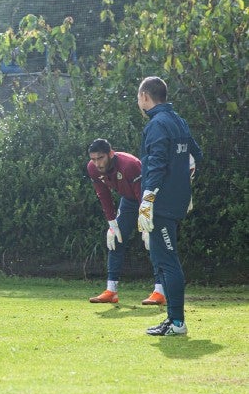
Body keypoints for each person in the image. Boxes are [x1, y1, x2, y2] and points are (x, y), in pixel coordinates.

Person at [136, 76, 202, 336]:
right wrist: (184, 183)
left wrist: (147, 199)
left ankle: (177, 323)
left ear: (145, 97)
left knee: (167, 260)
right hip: (175, 201)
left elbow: (157, 164)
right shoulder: (179, 121)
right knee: (160, 257)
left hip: (161, 204)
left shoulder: (157, 124)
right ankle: (172, 320)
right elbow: (196, 155)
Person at [86, 138, 166, 305]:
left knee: (154, 241)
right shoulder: (92, 168)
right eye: (93, 159)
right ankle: (111, 291)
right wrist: (111, 223)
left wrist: (145, 226)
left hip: (149, 200)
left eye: (100, 158)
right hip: (129, 200)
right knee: (116, 238)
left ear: (111, 154)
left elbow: (142, 192)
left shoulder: (129, 165)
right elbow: (103, 194)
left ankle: (160, 291)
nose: (97, 163)